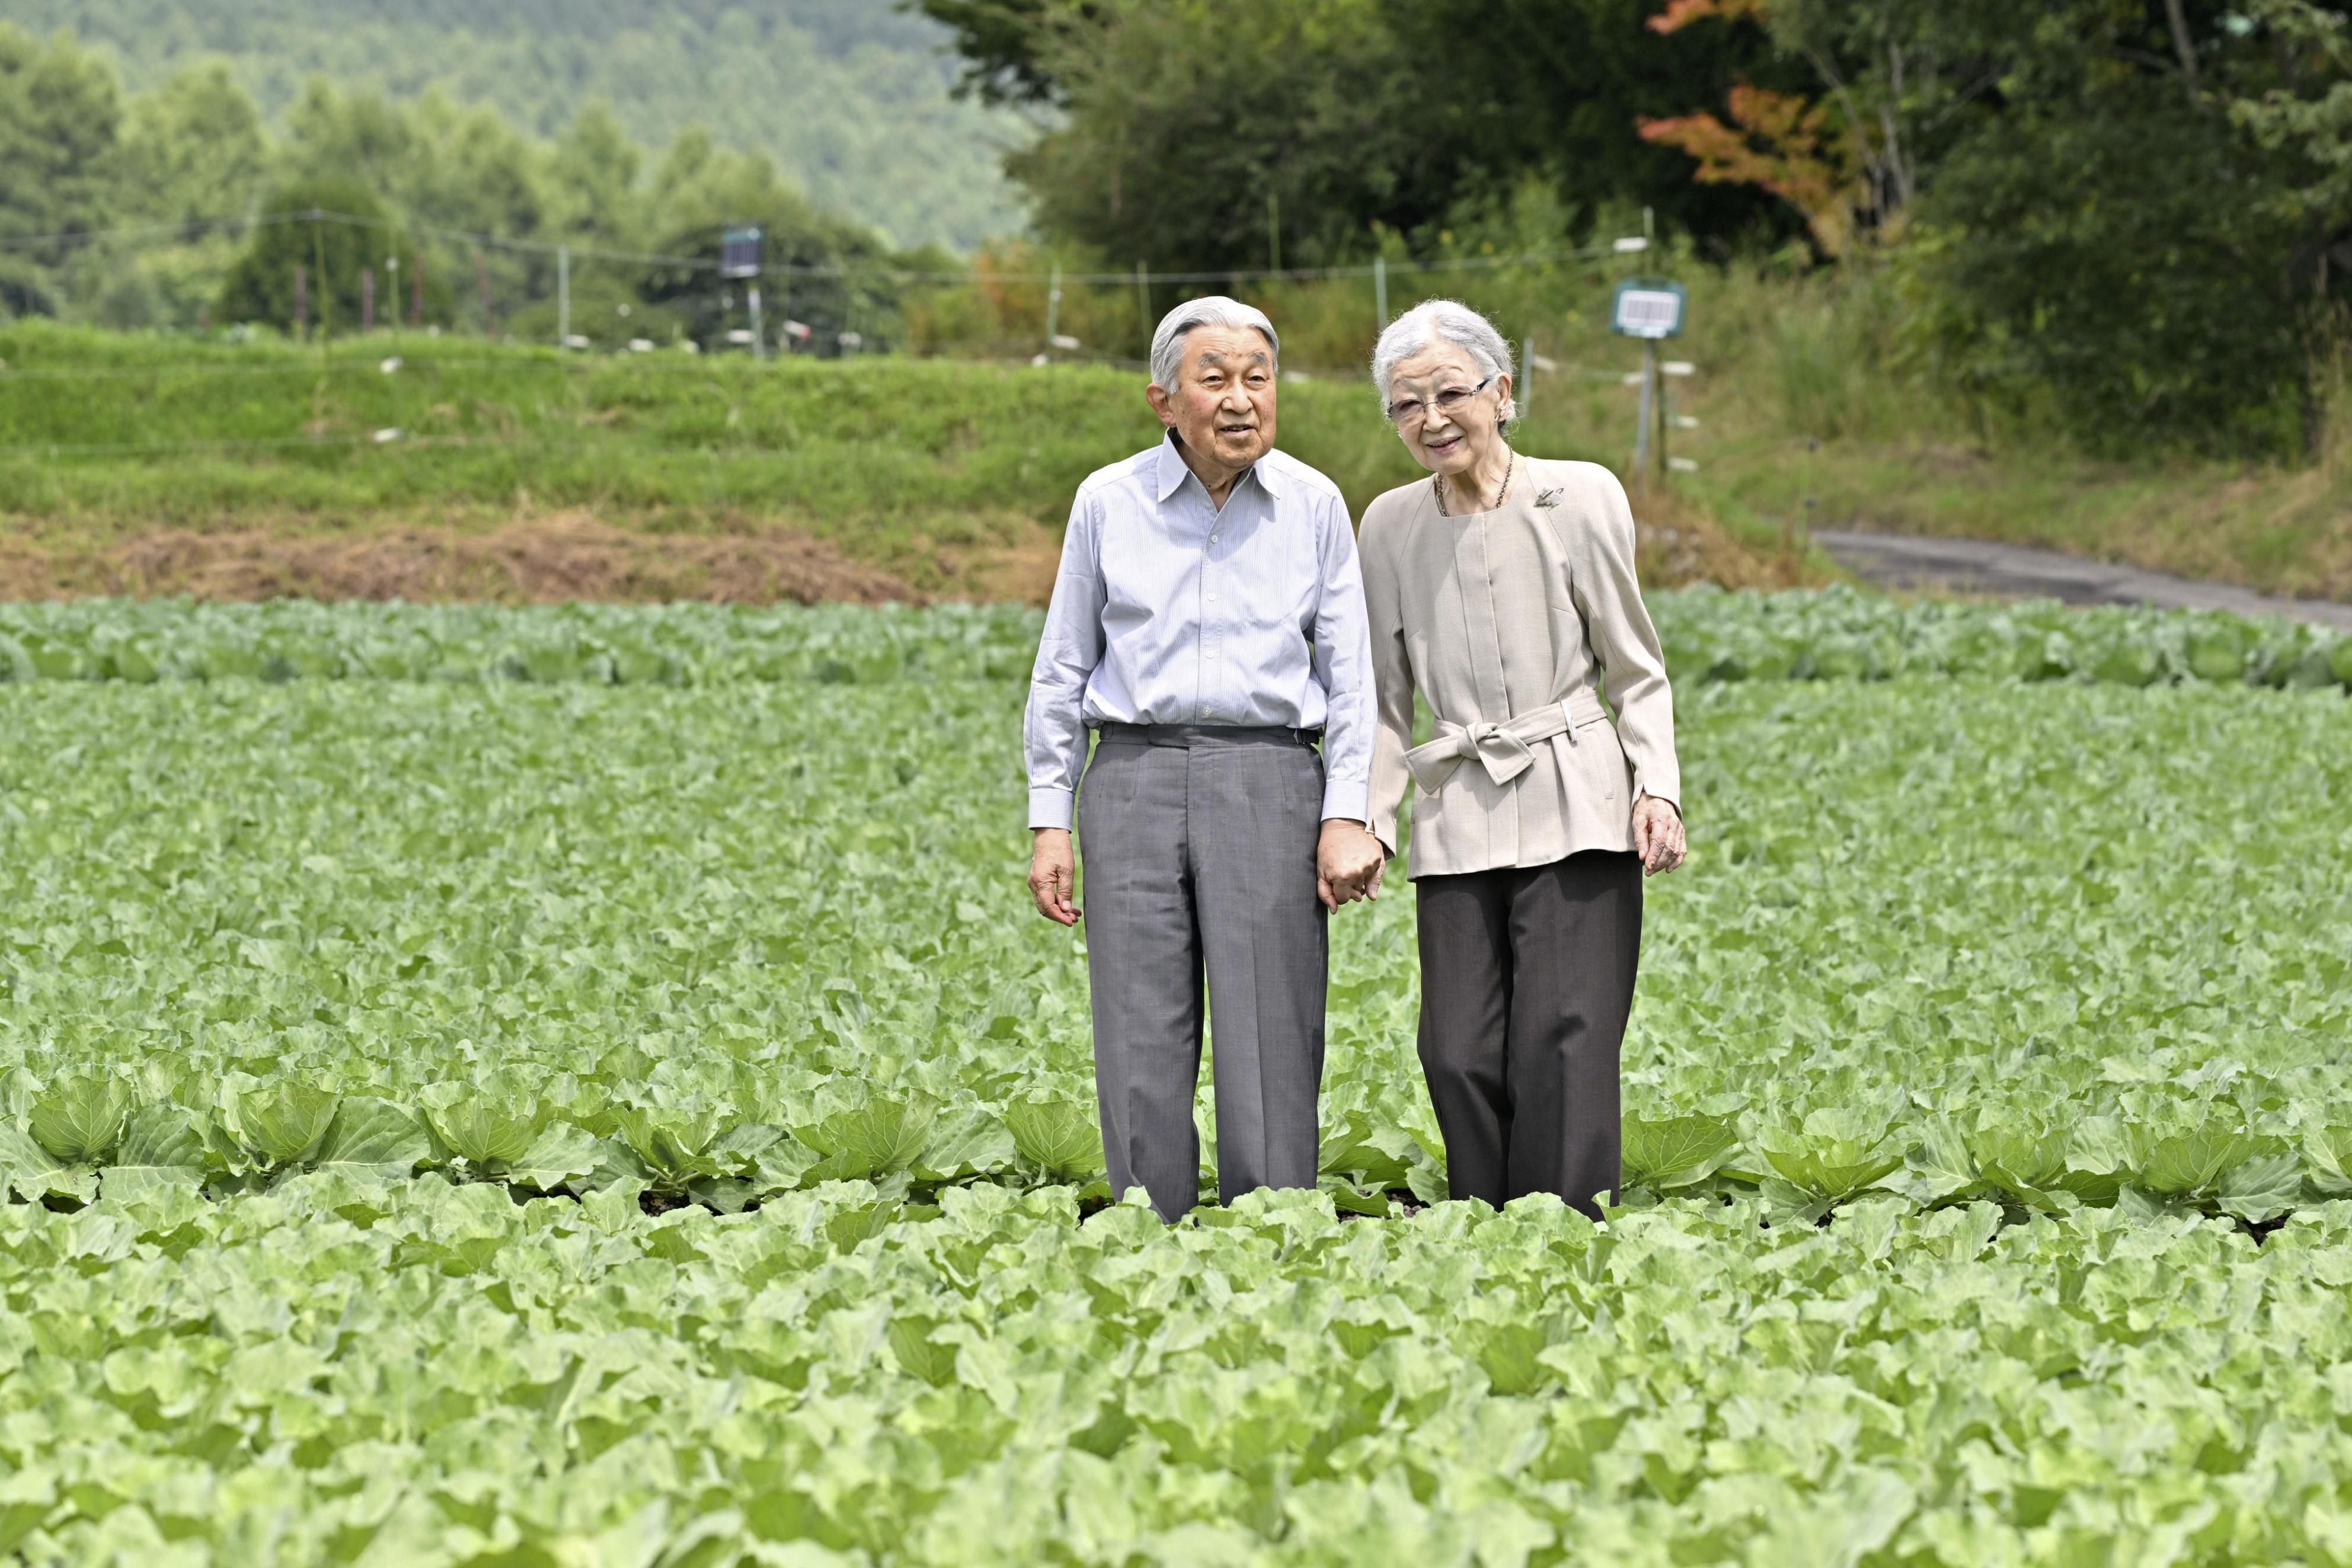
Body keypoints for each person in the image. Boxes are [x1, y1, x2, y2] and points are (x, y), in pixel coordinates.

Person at [1024, 296, 1385, 1221]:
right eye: (1214, 378)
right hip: (1133, 774)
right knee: (1139, 1026)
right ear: (1163, 400)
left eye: (1257, 379)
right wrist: (1048, 817)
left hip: (1270, 776)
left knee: (1272, 1026)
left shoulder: (1312, 504)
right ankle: (1152, 1230)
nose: (1240, 399)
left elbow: (1352, 676)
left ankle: (1271, 1234)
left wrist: (1349, 811)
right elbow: (1062, 666)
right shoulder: (1108, 502)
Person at [1357, 299, 1686, 1218]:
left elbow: (1636, 665)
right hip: (1458, 805)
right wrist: (1369, 822)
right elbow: (1382, 699)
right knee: (1455, 1047)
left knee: (1568, 1036)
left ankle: (1565, 1232)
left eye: (1451, 393)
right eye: (1405, 405)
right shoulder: (1385, 525)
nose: (1430, 419)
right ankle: (1483, 1222)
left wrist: (1656, 784)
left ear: (1503, 393)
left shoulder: (1579, 495)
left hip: (1577, 793)